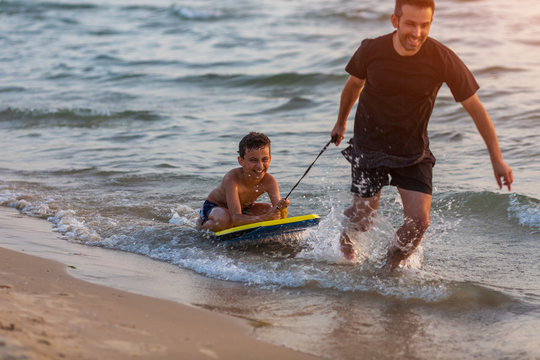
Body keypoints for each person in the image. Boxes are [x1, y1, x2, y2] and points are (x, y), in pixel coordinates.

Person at [330, 0, 513, 268]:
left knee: (419, 223)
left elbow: (476, 108)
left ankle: (387, 269)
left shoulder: (442, 58)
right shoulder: (372, 49)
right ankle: (343, 232)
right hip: (369, 144)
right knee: (363, 220)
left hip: (412, 150)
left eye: (424, 25)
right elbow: (354, 85)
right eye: (411, 24)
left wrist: (497, 159)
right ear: (395, 21)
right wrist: (340, 123)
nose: (417, 33)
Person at [197, 132, 289, 232]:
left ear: (270, 159)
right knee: (226, 221)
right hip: (215, 208)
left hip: (243, 209)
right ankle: (201, 224)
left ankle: (241, 223)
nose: (260, 166)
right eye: (253, 160)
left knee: (270, 210)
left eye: (264, 159)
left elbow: (280, 215)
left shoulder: (270, 181)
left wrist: (282, 207)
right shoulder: (232, 179)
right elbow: (236, 218)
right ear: (241, 161)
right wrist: (264, 219)